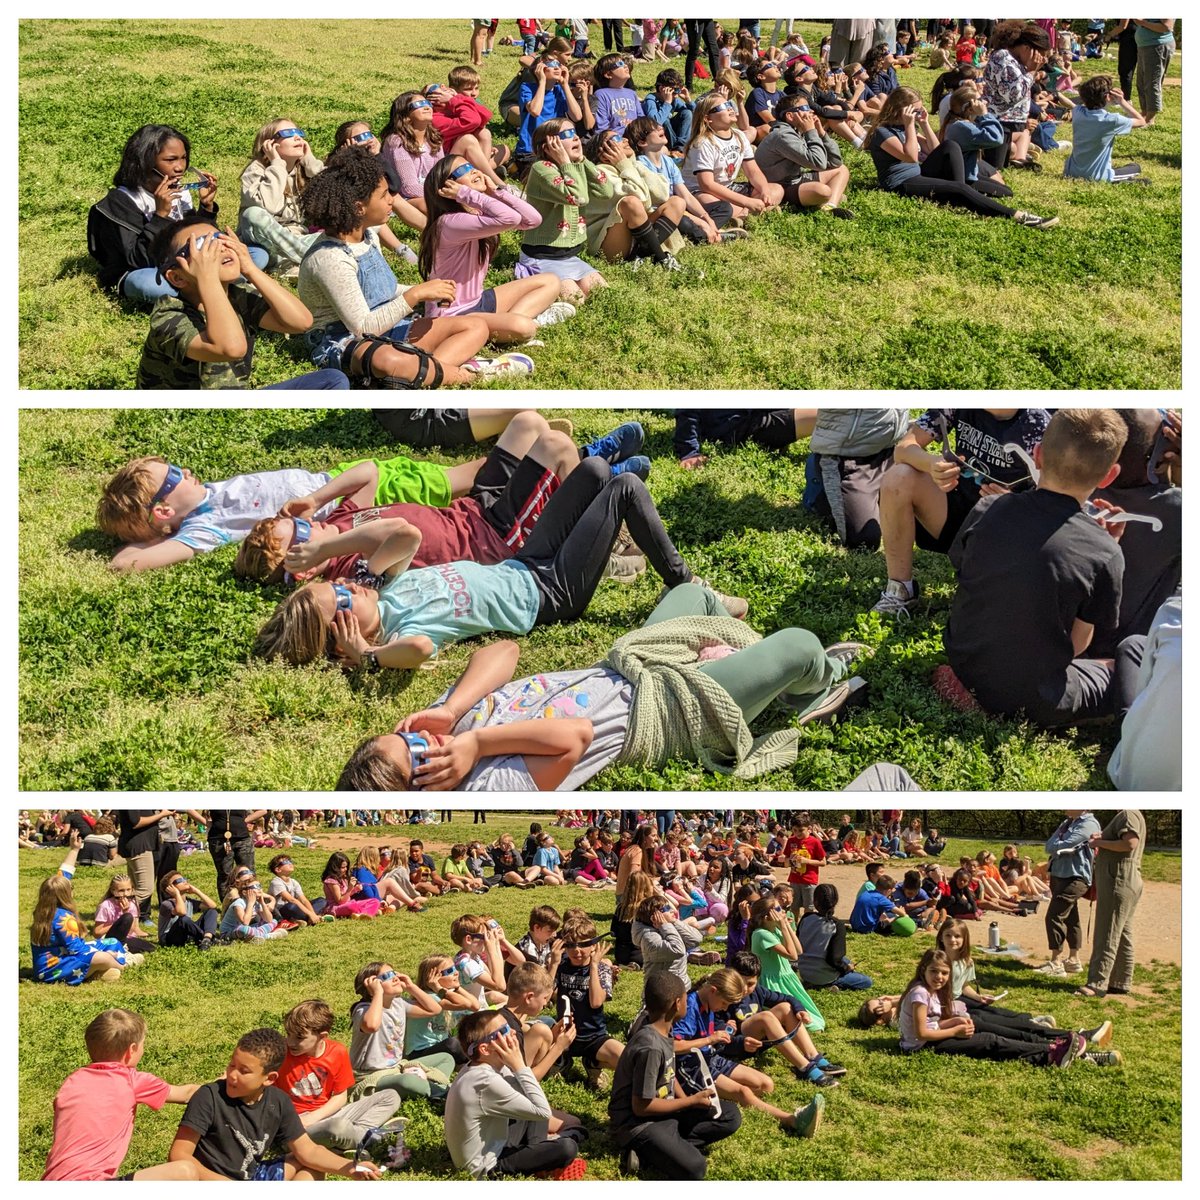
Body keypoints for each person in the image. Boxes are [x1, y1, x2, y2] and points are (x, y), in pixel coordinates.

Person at [336, 580, 870, 791]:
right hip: (665, 713)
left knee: (689, 593)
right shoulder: (487, 783)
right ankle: (813, 687)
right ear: (424, 788)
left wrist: (453, 712)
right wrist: (476, 743)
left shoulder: (450, 731)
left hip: (625, 667)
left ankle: (733, 647)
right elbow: (575, 736)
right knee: (800, 645)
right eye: (416, 757)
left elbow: (504, 652)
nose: (422, 743)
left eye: (404, 736)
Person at [255, 456, 741, 670]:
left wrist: (325, 549)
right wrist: (367, 655)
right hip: (550, 595)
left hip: (523, 564)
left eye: (339, 586)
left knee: (593, 471)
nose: (350, 590)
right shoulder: (399, 630)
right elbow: (421, 651)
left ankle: (642, 560)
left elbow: (404, 534)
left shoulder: (380, 587)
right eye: (340, 601)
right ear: (340, 640)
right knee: (626, 489)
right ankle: (688, 586)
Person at [945, 409, 1146, 726]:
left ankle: (968, 690)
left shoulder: (988, 507)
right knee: (1123, 669)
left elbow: (965, 573)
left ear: (1037, 455)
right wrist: (1107, 548)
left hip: (963, 661)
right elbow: (1077, 646)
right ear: (1110, 475)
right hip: (1034, 697)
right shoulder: (1106, 553)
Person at [297, 148, 528, 388]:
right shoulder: (330, 259)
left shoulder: (367, 236)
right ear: (358, 208)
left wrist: (427, 290)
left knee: (475, 326)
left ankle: (423, 370)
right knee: (387, 360)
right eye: (385, 194)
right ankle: (467, 374)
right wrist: (415, 295)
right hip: (345, 341)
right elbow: (363, 327)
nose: (392, 200)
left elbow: (383, 291)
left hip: (387, 326)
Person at [870, 407, 1051, 617]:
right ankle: (899, 591)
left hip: (1005, 531)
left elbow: (1055, 499)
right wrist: (932, 464)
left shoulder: (1038, 423)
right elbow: (903, 448)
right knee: (898, 477)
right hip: (955, 510)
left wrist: (1013, 503)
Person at [134, 215, 344, 390]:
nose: (219, 248)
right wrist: (207, 277)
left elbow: (301, 322)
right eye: (202, 246)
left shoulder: (237, 294)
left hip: (238, 407)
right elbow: (230, 348)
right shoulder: (168, 315)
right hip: (186, 423)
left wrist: (250, 269)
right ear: (177, 277)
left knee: (332, 380)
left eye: (220, 238)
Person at [167, 1028, 381, 1179]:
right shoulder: (209, 1096)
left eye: (244, 1071)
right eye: (232, 1064)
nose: (232, 1075)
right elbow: (179, 1155)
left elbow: (308, 1151)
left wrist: (350, 1168)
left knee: (310, 1167)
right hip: (209, 1182)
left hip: (250, 1178)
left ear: (269, 1079)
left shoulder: (278, 1102)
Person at [86, 124, 259, 305]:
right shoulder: (119, 204)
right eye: (170, 160)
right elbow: (137, 260)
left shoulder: (180, 192)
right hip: (147, 270)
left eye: (183, 158)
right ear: (145, 162)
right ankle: (218, 283)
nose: (180, 167)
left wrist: (206, 207)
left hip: (183, 263)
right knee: (150, 285)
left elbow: (195, 238)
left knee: (257, 254)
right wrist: (160, 216)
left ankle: (202, 284)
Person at [608, 971, 742, 1179]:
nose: (690, 1003)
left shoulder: (665, 1030)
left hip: (664, 1111)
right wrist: (689, 1103)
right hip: (638, 1124)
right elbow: (642, 1107)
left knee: (729, 1115)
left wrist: (687, 1100)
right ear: (676, 1004)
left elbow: (670, 1075)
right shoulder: (650, 1047)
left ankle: (667, 1146)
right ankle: (644, 1151)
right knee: (696, 1168)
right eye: (686, 999)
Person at [418, 156, 569, 339]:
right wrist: (468, 194)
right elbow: (510, 219)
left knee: (551, 281)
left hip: (478, 301)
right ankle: (526, 323)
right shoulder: (449, 223)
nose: (472, 170)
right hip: (453, 316)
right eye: (461, 171)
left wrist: (496, 191)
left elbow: (533, 220)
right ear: (448, 188)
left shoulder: (477, 215)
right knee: (523, 327)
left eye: (470, 165)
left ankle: (511, 322)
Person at [43, 1008, 200, 1180]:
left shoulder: (73, 1081)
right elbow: (187, 1094)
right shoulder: (131, 1080)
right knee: (185, 1172)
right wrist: (223, 1082)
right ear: (131, 1050)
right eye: (143, 1043)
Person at [864, 89, 1057, 227]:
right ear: (900, 109)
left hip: (920, 173)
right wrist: (909, 126)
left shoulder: (906, 128)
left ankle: (961, 190)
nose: (917, 114)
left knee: (951, 147)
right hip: (901, 182)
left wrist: (923, 124)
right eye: (915, 110)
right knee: (960, 188)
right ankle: (1020, 217)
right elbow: (911, 157)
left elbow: (937, 149)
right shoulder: (883, 132)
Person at [671, 970, 827, 1136]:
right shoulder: (690, 1008)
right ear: (713, 991)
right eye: (724, 1003)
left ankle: (730, 1093)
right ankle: (793, 1120)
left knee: (766, 1085)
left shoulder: (709, 1001)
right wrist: (710, 1039)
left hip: (710, 1058)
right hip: (689, 1067)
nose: (724, 1008)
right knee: (744, 1092)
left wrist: (722, 1030)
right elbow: (672, 1045)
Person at [444, 1010, 584, 1178]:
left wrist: (555, 1043)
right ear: (485, 1048)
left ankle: (541, 1155)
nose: (512, 1032)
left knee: (530, 1101)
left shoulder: (484, 1065)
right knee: (568, 1147)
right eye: (503, 1031)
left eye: (509, 1027)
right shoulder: (484, 1081)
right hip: (487, 1165)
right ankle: (545, 1154)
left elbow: (527, 1091)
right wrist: (519, 1065)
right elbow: (543, 1111)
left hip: (496, 1142)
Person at [896, 949, 1083, 1068]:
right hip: (920, 1046)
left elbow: (932, 1023)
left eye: (944, 973)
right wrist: (955, 1030)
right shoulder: (920, 993)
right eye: (934, 971)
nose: (939, 977)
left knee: (985, 1030)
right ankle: (1050, 1054)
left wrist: (955, 1021)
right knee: (990, 1041)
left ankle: (1052, 1046)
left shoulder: (931, 990)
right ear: (923, 970)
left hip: (931, 1037)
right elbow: (921, 1033)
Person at [1091, 410, 1181, 652]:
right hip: (1133, 655)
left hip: (1078, 641)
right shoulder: (1177, 510)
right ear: (1157, 457)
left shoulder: (1084, 487)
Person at [276, 999, 402, 1151]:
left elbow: (341, 1096)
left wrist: (314, 1117)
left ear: (322, 1036)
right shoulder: (279, 1053)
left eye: (299, 1037)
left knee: (391, 1096)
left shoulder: (337, 1052)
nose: (290, 1042)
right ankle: (375, 1140)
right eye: (288, 1034)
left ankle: (350, 1138)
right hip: (295, 1125)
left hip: (326, 1115)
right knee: (336, 1128)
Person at [518, 118, 610, 304]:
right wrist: (566, 162)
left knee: (603, 295)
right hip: (541, 257)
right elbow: (579, 198)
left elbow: (606, 191)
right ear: (550, 145)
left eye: (575, 132)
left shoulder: (575, 167)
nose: (576, 137)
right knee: (577, 300)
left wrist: (582, 160)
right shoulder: (542, 169)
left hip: (569, 256)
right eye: (567, 134)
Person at [31, 833, 136, 985]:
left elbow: (63, 875)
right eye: (71, 888)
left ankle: (99, 972)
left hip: (54, 961)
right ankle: (123, 964)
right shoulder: (64, 920)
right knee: (103, 956)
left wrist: (74, 850)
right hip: (54, 969)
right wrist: (107, 955)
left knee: (111, 941)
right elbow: (78, 951)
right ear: (66, 894)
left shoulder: (44, 908)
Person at [348, 960, 455, 1104]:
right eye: (386, 977)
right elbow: (372, 1026)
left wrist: (411, 987)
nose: (395, 978)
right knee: (406, 1081)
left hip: (397, 1069)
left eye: (393, 973)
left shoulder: (399, 1003)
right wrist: (377, 993)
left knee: (446, 1058)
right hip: (372, 1076)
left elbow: (434, 1009)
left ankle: (430, 1087)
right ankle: (442, 1092)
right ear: (372, 986)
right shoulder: (363, 1010)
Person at [581, 130, 687, 268]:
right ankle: (661, 259)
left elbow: (663, 194)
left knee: (677, 202)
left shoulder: (633, 166)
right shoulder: (601, 173)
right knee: (630, 203)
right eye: (617, 138)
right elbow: (640, 199)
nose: (625, 139)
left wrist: (631, 165)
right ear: (604, 154)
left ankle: (642, 254)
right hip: (609, 246)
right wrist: (625, 165)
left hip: (636, 235)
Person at [237, 119, 324, 273]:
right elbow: (269, 206)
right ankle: (311, 259)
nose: (298, 137)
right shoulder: (256, 170)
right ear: (269, 144)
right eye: (288, 133)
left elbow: (335, 196)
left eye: (299, 132)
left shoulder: (303, 171)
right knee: (252, 214)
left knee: (363, 226)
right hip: (265, 244)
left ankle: (289, 264)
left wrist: (311, 164)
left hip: (298, 240)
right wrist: (276, 164)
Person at [682, 93, 783, 223]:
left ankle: (743, 214)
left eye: (729, 104)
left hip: (729, 187)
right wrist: (746, 201)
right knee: (709, 201)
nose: (730, 108)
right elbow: (707, 185)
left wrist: (764, 190)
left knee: (777, 189)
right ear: (708, 118)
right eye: (723, 106)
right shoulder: (703, 143)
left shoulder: (739, 136)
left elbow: (753, 171)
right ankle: (749, 212)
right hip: (699, 191)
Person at [552, 913, 626, 1087]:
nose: (577, 951)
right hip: (563, 1034)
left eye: (584, 945)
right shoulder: (561, 964)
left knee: (626, 1058)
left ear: (594, 945)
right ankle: (561, 1061)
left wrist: (593, 966)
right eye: (571, 945)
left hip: (593, 1036)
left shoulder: (602, 968)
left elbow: (596, 1002)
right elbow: (545, 996)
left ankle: (593, 1063)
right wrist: (553, 964)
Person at [1078, 810, 1145, 999]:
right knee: (1123, 932)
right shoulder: (1131, 813)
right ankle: (1120, 982)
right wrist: (1103, 837)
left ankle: (1097, 983)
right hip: (1126, 879)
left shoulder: (1127, 813)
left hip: (1118, 880)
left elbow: (1130, 843)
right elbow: (1123, 839)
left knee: (1107, 931)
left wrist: (1098, 843)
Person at [755, 94, 854, 217]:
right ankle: (821, 198)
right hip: (779, 186)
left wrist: (821, 133)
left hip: (795, 179)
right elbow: (819, 163)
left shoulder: (796, 131)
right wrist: (811, 132)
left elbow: (835, 162)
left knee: (841, 170)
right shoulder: (783, 136)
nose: (811, 111)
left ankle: (829, 206)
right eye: (805, 109)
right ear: (790, 116)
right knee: (823, 191)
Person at [1038, 811, 1103, 977]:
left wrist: (1059, 845)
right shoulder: (1067, 822)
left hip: (1075, 877)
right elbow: (1049, 846)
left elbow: (1068, 845)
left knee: (1054, 916)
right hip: (1060, 874)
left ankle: (1056, 962)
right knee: (1070, 916)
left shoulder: (1089, 823)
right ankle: (1073, 960)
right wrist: (1059, 846)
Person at [980, 21, 1052, 170]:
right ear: (1027, 48)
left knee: (1002, 163)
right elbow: (1013, 94)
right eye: (1041, 55)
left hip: (1007, 123)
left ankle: (1019, 158)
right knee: (994, 168)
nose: (1043, 61)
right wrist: (1032, 71)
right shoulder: (1003, 58)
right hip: (998, 121)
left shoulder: (1014, 60)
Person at [748, 895, 825, 1032]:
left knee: (816, 1020)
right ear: (767, 917)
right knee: (808, 1023)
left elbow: (799, 950)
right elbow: (792, 955)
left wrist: (787, 927)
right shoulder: (761, 934)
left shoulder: (774, 929)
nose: (782, 911)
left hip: (786, 977)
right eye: (778, 908)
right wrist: (783, 926)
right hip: (773, 982)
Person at [673, 408, 817, 469]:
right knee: (830, 417)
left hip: (759, 409)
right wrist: (689, 452)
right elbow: (687, 411)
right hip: (738, 425)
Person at [515, 53, 584, 177]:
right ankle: (515, 168)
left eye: (558, 64)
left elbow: (577, 116)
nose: (557, 67)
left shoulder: (559, 90)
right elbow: (535, 111)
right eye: (551, 64)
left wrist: (565, 85)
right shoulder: (527, 88)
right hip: (531, 151)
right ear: (539, 69)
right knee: (549, 176)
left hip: (557, 149)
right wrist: (541, 82)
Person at [796, 884, 873, 991]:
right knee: (866, 981)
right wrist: (846, 969)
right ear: (835, 902)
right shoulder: (837, 925)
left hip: (804, 971)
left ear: (815, 902)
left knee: (846, 960)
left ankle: (818, 982)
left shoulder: (806, 918)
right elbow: (834, 959)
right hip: (823, 975)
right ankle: (828, 985)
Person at [157, 867, 219, 949]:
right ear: (170, 888)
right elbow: (182, 912)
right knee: (184, 919)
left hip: (184, 935)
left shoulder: (189, 901)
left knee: (211, 911)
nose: (184, 881)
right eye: (179, 881)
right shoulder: (167, 904)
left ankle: (206, 939)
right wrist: (176, 894)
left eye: (184, 879)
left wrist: (196, 891)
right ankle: (208, 939)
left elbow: (212, 906)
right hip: (169, 939)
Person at [93, 874, 156, 954]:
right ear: (113, 891)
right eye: (121, 891)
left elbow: (132, 930)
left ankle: (120, 948)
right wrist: (118, 923)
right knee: (127, 917)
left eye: (128, 890)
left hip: (127, 938)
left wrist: (126, 912)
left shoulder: (132, 904)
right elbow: (97, 932)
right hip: (108, 939)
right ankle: (116, 949)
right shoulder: (105, 906)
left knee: (150, 948)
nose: (125, 894)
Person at [219, 873, 286, 942]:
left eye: (259, 886)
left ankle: (255, 935)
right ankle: (269, 936)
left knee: (273, 921)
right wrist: (250, 903)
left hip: (248, 928)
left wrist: (262, 903)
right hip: (229, 932)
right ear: (245, 892)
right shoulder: (239, 903)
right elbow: (245, 923)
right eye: (255, 887)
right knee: (244, 929)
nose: (259, 890)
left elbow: (268, 919)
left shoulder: (256, 902)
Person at [1133, 19, 1175, 126]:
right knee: (1141, 82)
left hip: (1157, 46)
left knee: (1152, 83)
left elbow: (1166, 27)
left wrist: (1142, 22)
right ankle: (1144, 113)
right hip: (1145, 46)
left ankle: (1150, 119)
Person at [592, 53, 645, 134]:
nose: (625, 66)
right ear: (608, 74)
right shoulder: (601, 94)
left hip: (637, 136)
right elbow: (601, 127)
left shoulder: (632, 93)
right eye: (620, 64)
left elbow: (641, 118)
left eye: (624, 63)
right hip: (616, 139)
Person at [644, 68, 694, 151]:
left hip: (669, 132)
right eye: (674, 91)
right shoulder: (651, 100)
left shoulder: (674, 99)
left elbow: (697, 115)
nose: (677, 95)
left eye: (679, 90)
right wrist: (667, 103)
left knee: (687, 113)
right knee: (665, 121)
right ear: (661, 89)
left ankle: (680, 148)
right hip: (655, 133)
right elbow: (654, 122)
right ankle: (673, 149)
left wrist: (688, 101)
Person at [267, 853, 324, 926]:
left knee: (322, 900)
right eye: (286, 862)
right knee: (291, 906)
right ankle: (310, 917)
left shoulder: (294, 882)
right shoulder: (276, 882)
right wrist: (310, 913)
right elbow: (291, 900)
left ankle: (306, 918)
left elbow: (303, 900)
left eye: (290, 861)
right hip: (283, 911)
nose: (290, 864)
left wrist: (312, 914)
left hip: (297, 909)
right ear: (278, 869)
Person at [321, 851, 381, 919]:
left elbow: (346, 895)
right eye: (343, 867)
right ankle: (367, 912)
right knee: (352, 906)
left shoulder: (343, 878)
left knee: (375, 901)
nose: (346, 869)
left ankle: (361, 914)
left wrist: (355, 889)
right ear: (335, 868)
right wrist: (350, 888)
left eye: (346, 867)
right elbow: (340, 901)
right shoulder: (332, 881)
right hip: (335, 908)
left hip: (348, 903)